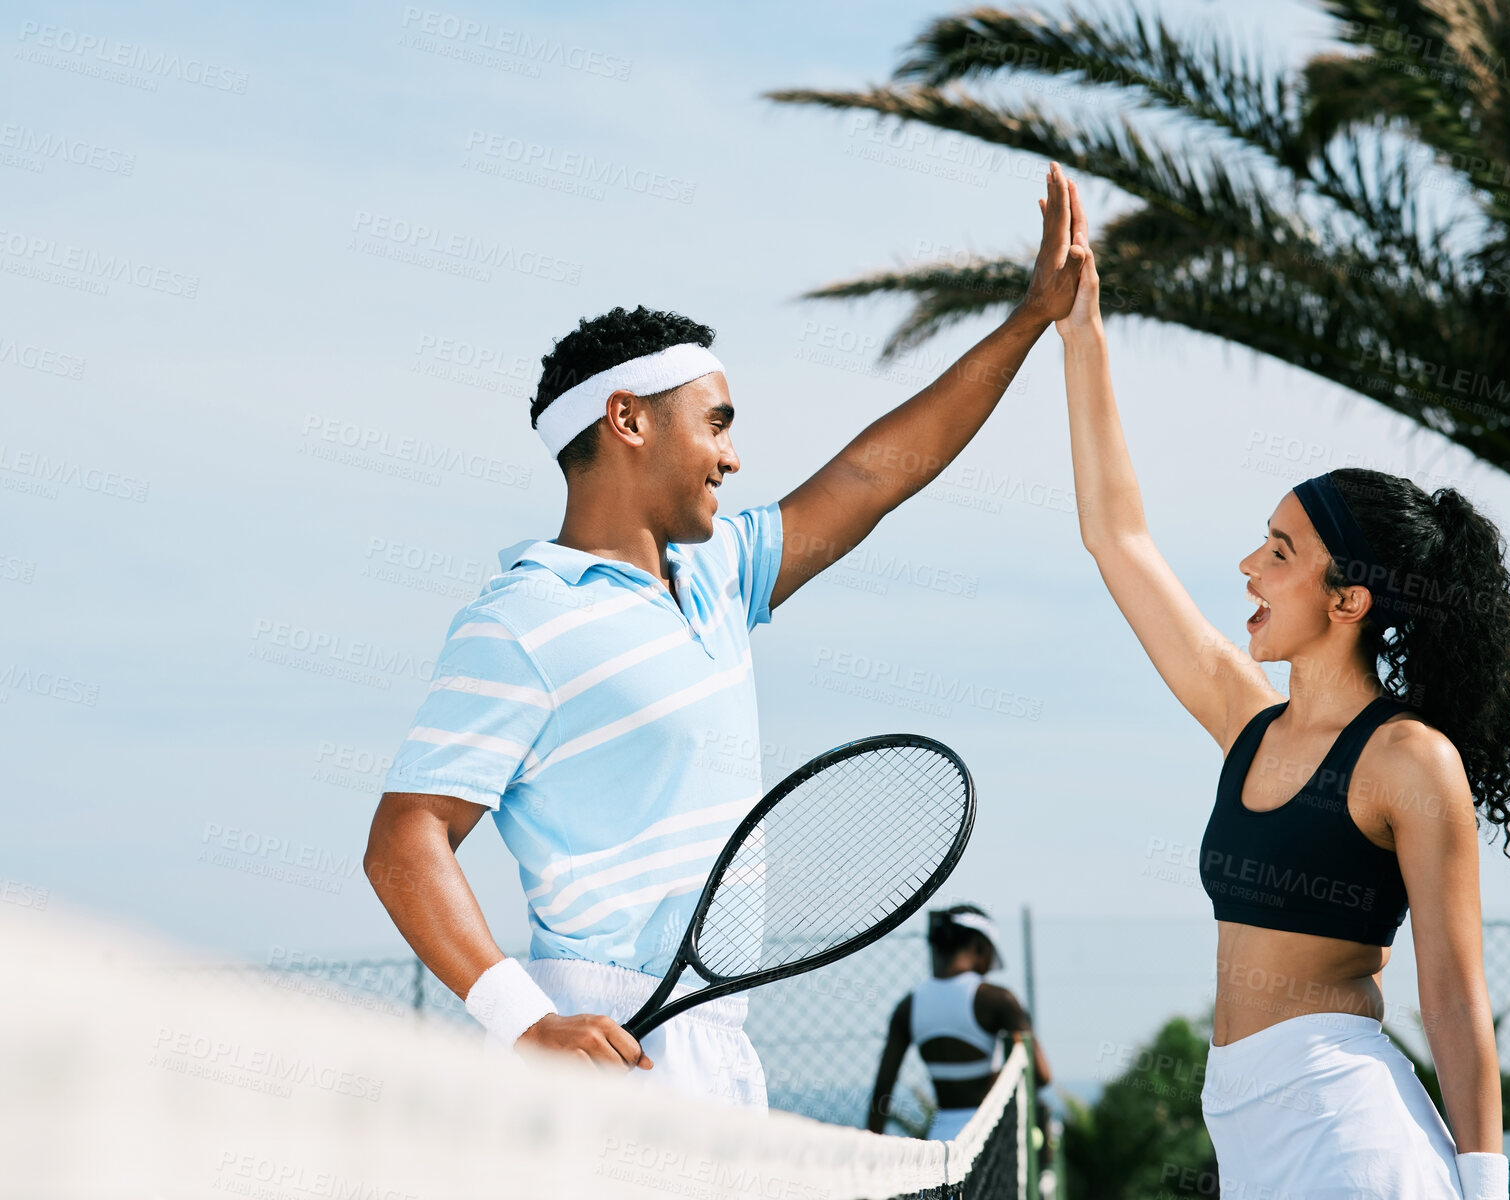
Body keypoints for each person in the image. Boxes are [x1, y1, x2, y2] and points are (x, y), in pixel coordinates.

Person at [361, 163, 1086, 1111]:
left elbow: (878, 474)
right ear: (627, 419)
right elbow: (405, 838)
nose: (734, 456)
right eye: (716, 425)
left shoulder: (716, 577)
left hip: (714, 1048)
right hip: (592, 1044)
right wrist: (526, 1022)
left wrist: (1028, 320)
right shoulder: (522, 618)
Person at [1052, 171, 1510, 1199]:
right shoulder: (1247, 723)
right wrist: (1078, 334)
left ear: (1349, 600)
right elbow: (1115, 537)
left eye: (1279, 552)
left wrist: (1485, 1186)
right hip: (1252, 1134)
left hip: (1350, 1134)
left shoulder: (1408, 760)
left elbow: (1452, 998)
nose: (1247, 570)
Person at [866, 906, 1052, 1139]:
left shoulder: (908, 1006)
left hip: (940, 1141)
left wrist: (871, 1155)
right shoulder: (998, 999)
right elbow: (1042, 1075)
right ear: (981, 948)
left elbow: (882, 1091)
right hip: (990, 1138)